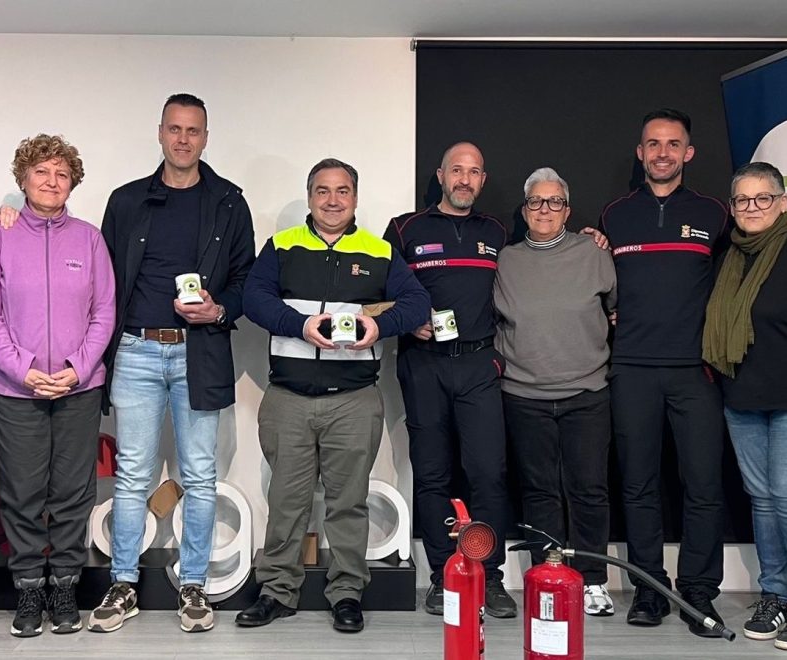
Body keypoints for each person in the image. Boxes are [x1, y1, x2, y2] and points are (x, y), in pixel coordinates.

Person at [236, 158, 430, 632]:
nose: (332, 200)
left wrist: (379, 326)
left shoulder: (379, 250)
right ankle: (276, 591)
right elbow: (253, 299)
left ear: (355, 198)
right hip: (289, 397)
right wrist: (299, 325)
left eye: (343, 191)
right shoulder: (282, 246)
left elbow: (417, 303)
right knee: (287, 501)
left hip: (354, 399)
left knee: (348, 502)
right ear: (310, 197)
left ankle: (346, 594)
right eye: (322, 190)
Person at [88, 93, 255, 635]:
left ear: (206, 137)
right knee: (132, 474)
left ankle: (194, 585)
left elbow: (247, 280)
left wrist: (219, 309)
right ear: (160, 132)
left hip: (198, 351)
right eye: (175, 129)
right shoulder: (126, 200)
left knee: (199, 475)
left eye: (193, 130)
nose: (183, 139)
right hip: (136, 350)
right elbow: (103, 281)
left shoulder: (229, 202)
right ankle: (123, 584)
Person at [0, 134, 115, 638]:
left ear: (72, 183)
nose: (52, 181)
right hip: (15, 390)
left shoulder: (90, 239)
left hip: (79, 388)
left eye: (62, 174)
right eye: (41, 171)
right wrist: (23, 368)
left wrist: (78, 368)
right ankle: (29, 587)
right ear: (23, 178)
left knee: (73, 492)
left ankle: (64, 587)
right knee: (21, 492)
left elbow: (104, 313)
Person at [600, 108, 728, 636]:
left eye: (673, 144)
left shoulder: (715, 213)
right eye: (653, 143)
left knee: (704, 486)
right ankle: (649, 590)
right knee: (638, 485)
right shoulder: (613, 216)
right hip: (631, 367)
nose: (662, 153)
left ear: (688, 153)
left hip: (696, 371)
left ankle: (699, 593)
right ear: (640, 152)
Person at [384, 142, 517, 618]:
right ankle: (444, 576)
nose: (464, 179)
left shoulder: (497, 231)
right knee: (432, 473)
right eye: (456, 170)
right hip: (424, 364)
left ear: (483, 179)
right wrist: (407, 320)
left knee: (488, 474)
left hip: (479, 364)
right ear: (440, 175)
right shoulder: (405, 229)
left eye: (474, 172)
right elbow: (377, 294)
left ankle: (491, 576)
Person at [494, 167, 617, 617]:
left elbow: (615, 309)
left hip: (586, 391)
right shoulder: (506, 260)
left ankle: (592, 581)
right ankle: (546, 581)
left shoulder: (594, 252)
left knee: (589, 490)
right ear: (525, 209)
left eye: (555, 202)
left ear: (567, 210)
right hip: (523, 393)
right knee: (539, 492)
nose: (545, 209)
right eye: (536, 202)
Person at [703, 161, 787, 647]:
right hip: (741, 396)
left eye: (763, 198)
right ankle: (775, 594)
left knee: (785, 495)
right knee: (762, 498)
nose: (752, 207)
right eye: (742, 199)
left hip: (786, 397)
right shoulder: (728, 255)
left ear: (782, 202)